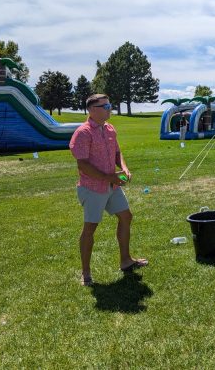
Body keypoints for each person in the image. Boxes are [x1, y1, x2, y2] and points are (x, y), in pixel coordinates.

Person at [69, 94, 148, 286]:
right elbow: (83, 165)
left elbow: (117, 153)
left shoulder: (110, 128)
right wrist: (109, 177)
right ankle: (86, 273)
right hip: (93, 188)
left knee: (126, 216)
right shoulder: (83, 133)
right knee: (90, 228)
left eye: (110, 105)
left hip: (112, 185)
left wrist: (124, 168)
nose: (109, 108)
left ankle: (126, 261)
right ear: (92, 109)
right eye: (105, 106)